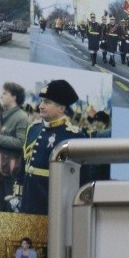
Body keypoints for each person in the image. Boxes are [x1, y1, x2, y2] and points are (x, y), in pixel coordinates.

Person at [17, 78, 81, 215]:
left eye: (47, 102)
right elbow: (24, 164)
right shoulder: (34, 128)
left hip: (52, 207)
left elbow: (80, 178)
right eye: (41, 101)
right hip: (27, 202)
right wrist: (18, 192)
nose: (40, 106)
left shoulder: (73, 136)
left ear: (61, 108)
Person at [0, 81, 30, 213]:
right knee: (0, 205)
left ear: (14, 97)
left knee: (9, 207)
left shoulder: (21, 117)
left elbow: (21, 142)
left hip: (10, 169)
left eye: (5, 93)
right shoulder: (4, 114)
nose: (1, 96)